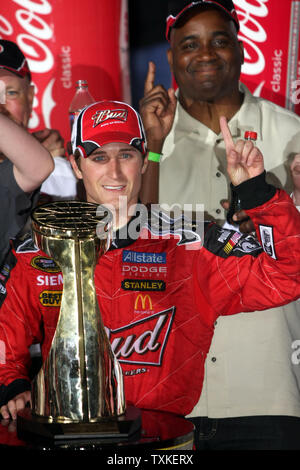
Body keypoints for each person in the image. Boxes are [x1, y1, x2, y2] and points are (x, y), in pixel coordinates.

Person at [0, 101, 300, 452]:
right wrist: (11, 386)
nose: (114, 173)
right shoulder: (40, 247)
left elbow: (287, 276)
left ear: (144, 160)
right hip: (68, 439)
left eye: (125, 155)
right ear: (77, 166)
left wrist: (258, 194)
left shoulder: (190, 240)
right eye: (98, 158)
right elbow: (7, 336)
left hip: (162, 441)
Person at [139, 0, 300, 450]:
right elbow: (130, 251)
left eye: (219, 40)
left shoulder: (291, 133)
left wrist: (277, 213)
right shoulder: (146, 142)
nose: (205, 54)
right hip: (168, 391)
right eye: (189, 44)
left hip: (268, 385)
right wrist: (150, 147)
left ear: (242, 50)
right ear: (170, 57)